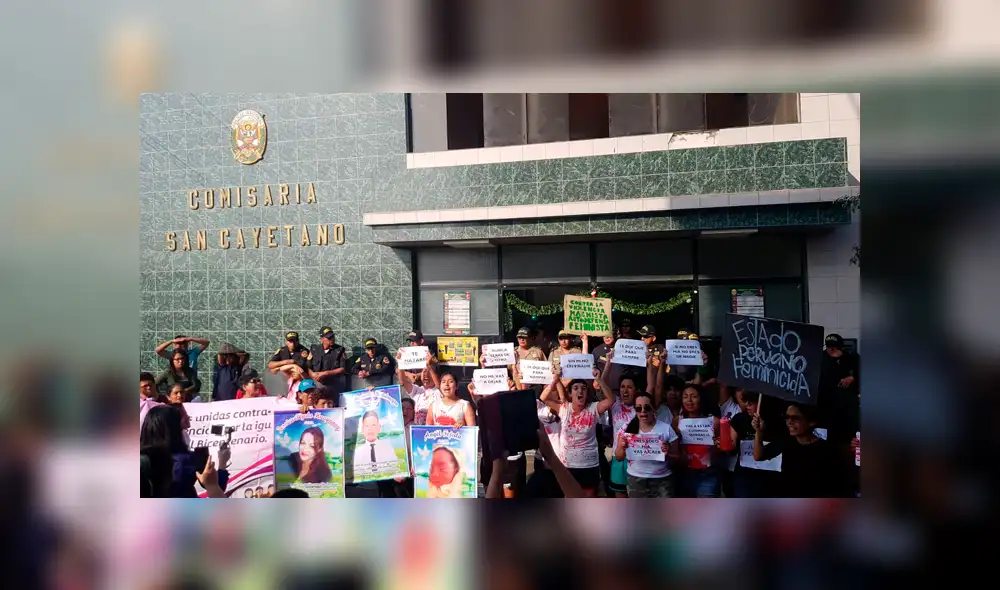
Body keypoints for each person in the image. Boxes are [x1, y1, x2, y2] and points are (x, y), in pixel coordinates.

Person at [539, 359, 616, 497]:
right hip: (567, 466)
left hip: (589, 466)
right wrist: (555, 381)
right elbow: (543, 398)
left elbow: (610, 400)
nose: (580, 391)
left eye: (583, 388)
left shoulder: (593, 409)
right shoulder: (563, 408)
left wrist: (599, 380)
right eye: (575, 388)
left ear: (587, 394)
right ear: (570, 394)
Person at [753, 402, 854, 497]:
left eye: (795, 418)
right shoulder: (786, 441)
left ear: (811, 422)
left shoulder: (827, 451)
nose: (789, 422)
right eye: (787, 417)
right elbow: (759, 456)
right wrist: (759, 431)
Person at [140, 404, 229, 497]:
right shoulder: (186, 460)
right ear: (174, 428)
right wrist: (222, 462)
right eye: (182, 416)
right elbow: (216, 486)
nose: (187, 418)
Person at [614, 391, 681, 497]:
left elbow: (677, 458)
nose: (643, 411)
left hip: (662, 480)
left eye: (647, 408)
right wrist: (622, 448)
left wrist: (668, 454)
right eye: (638, 408)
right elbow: (618, 457)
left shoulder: (666, 429)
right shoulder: (626, 428)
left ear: (653, 408)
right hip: (636, 479)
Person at [673, 383, 721, 498]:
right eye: (685, 396)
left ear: (701, 398)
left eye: (694, 396)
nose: (689, 400)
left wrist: (717, 446)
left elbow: (723, 450)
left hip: (708, 473)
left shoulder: (714, 421)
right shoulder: (677, 421)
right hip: (684, 472)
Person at [818, 333, 860, 445]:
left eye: (834, 347)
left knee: (850, 436)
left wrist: (853, 377)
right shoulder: (821, 359)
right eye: (829, 347)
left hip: (849, 405)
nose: (831, 350)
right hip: (829, 406)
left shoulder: (852, 357)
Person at [396, 350, 441, 426]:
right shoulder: (417, 390)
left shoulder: (439, 391)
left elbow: (439, 386)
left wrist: (429, 367)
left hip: (434, 431)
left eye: (429, 372)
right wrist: (400, 363)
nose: (426, 375)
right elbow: (402, 381)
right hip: (418, 431)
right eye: (424, 372)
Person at [309, 327, 349, 406]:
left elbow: (342, 368)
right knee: (319, 405)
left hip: (334, 384)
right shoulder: (315, 350)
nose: (332, 339)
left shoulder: (339, 350)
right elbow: (307, 366)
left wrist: (325, 373)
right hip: (318, 384)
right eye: (329, 338)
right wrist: (313, 374)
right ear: (322, 339)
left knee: (333, 405)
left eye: (333, 337)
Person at [353, 411, 398, 476]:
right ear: (362, 429)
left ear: (379, 427)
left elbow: (395, 467)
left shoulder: (387, 447)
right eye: (367, 426)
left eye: (373, 425)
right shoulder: (357, 452)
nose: (370, 429)